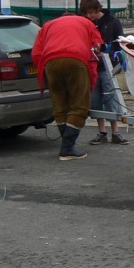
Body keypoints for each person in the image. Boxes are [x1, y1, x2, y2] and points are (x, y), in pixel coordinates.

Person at [32, 10, 103, 161]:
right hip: (76, 59)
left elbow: (36, 53)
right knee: (80, 105)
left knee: (60, 105)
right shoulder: (86, 23)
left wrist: (44, 72)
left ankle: (67, 145)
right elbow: (97, 47)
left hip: (50, 62)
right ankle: (67, 148)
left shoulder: (48, 25)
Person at [79, 0, 129, 145]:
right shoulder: (86, 22)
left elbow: (120, 41)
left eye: (92, 13)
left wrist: (108, 49)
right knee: (95, 99)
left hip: (108, 65)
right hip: (91, 65)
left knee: (111, 97)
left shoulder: (112, 21)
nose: (90, 16)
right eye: (87, 13)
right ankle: (102, 132)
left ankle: (116, 132)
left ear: (98, 9)